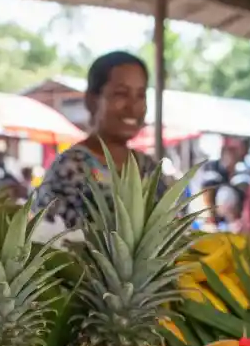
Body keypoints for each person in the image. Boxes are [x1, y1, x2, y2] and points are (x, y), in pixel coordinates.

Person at [36, 51, 168, 229]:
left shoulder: (149, 168)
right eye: (121, 94)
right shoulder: (70, 168)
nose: (133, 106)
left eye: (140, 95)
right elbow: (49, 239)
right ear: (91, 101)